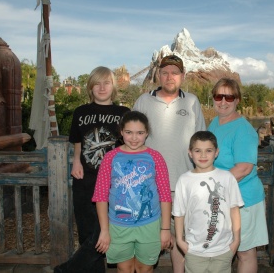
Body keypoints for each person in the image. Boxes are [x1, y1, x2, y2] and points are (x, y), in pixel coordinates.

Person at [133, 54, 206, 272]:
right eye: (164, 72)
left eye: (174, 72)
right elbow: (131, 138)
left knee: (181, 238)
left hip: (184, 184)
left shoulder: (192, 101)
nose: (169, 76)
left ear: (182, 76)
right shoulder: (143, 101)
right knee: (145, 237)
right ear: (158, 75)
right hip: (149, 185)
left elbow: (201, 142)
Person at [54, 66, 130, 273]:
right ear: (90, 87)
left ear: (113, 87)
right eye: (97, 83)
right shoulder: (81, 112)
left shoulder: (123, 113)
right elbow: (78, 141)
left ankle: (68, 269)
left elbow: (130, 144)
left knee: (104, 231)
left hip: (114, 181)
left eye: (106, 83)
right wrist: (76, 161)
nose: (102, 87)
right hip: (85, 178)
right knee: (88, 231)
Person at [93, 110, 172, 273]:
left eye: (140, 133)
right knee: (124, 268)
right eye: (129, 132)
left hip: (149, 225)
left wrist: (165, 230)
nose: (134, 138)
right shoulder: (110, 158)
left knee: (145, 268)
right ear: (121, 132)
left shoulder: (155, 157)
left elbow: (165, 195)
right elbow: (101, 196)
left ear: (147, 133)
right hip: (118, 225)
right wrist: (105, 230)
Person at [207, 78, 269, 273]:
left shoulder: (244, 130)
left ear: (237, 100)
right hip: (222, 198)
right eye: (219, 96)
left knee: (244, 251)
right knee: (223, 248)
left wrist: (213, 186)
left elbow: (243, 168)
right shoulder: (215, 123)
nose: (223, 101)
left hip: (244, 200)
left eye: (229, 97)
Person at [172, 131, 244, 273]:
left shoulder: (227, 177)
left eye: (208, 151)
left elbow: (234, 209)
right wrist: (180, 241)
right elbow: (179, 213)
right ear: (190, 153)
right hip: (194, 250)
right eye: (198, 151)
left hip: (223, 249)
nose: (203, 155)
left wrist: (236, 240)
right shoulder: (184, 180)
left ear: (216, 152)